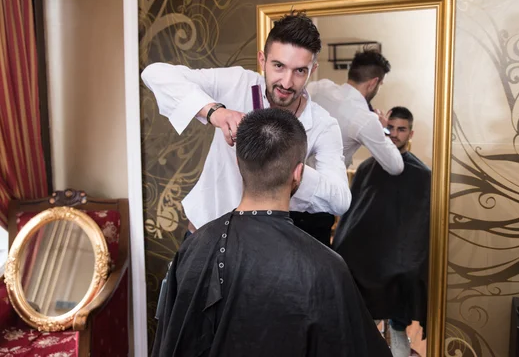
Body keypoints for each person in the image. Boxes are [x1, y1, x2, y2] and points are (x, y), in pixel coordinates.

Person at [151, 109, 392, 357]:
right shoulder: (326, 267)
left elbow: (171, 342)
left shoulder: (194, 247)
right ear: (299, 173)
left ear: (238, 163)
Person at [141, 11, 351, 237]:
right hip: (204, 234)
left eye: (300, 71)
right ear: (262, 60)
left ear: (312, 70)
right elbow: (154, 73)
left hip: (261, 244)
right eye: (278, 66)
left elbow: (340, 200)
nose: (287, 82)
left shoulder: (323, 125)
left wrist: (289, 169)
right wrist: (215, 112)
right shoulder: (237, 83)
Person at [332, 107, 430, 357]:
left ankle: (397, 339)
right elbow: (353, 218)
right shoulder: (366, 168)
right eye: (391, 128)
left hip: (400, 258)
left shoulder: (421, 174)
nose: (395, 134)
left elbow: (419, 226)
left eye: (402, 129)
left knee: (403, 280)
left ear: (411, 133)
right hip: (366, 255)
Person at [308, 49, 403, 174]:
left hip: (292, 177)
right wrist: (382, 131)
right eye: (380, 84)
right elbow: (395, 167)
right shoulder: (366, 119)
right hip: (324, 187)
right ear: (373, 83)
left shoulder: (318, 87)